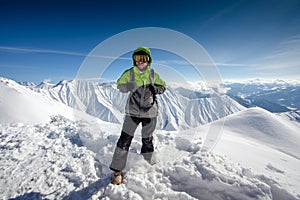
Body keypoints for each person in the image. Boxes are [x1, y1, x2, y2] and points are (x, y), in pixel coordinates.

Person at [110, 46, 166, 184]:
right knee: (124, 140)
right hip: (132, 112)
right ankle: (117, 171)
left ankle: (147, 160)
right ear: (134, 60)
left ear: (148, 60)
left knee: (147, 139)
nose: (140, 62)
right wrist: (127, 86)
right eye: (137, 58)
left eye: (143, 58)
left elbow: (163, 86)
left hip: (150, 112)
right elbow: (119, 84)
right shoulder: (129, 73)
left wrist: (156, 88)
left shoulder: (153, 74)